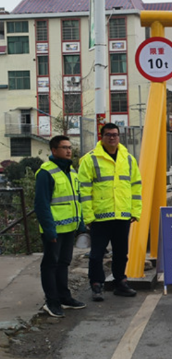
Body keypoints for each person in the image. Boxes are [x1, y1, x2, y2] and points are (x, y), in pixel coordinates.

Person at [78, 123, 142, 301]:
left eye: (115, 134)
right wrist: (88, 216)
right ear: (102, 137)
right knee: (97, 253)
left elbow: (136, 187)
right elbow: (84, 190)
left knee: (121, 253)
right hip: (100, 217)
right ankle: (97, 285)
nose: (112, 137)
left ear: (119, 137)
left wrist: (135, 212)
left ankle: (120, 282)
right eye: (108, 135)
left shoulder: (128, 159)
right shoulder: (90, 160)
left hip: (122, 215)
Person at [35, 135, 86, 318]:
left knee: (64, 263)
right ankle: (52, 302)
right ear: (54, 151)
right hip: (54, 229)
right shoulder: (46, 172)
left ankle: (65, 298)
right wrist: (49, 229)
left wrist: (80, 223)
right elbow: (41, 205)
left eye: (70, 147)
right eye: (64, 147)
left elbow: (76, 201)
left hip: (69, 227)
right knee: (50, 264)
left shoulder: (71, 172)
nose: (68, 150)